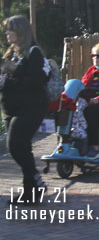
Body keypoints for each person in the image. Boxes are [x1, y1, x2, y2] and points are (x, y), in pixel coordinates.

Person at [1, 16, 48, 204]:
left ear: (20, 31)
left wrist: (8, 82)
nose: (6, 33)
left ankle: (35, 179)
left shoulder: (33, 53)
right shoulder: (10, 53)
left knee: (15, 146)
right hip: (10, 108)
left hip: (31, 107)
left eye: (9, 30)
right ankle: (30, 192)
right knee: (24, 148)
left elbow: (37, 80)